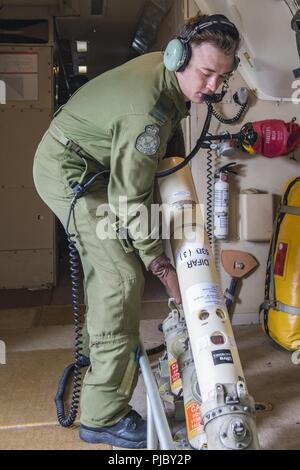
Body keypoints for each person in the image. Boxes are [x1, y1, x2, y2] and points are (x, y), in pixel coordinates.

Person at [33, 13, 240, 448]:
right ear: (178, 56)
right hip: (68, 170)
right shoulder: (146, 111)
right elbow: (131, 197)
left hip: (92, 168)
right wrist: (161, 267)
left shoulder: (166, 80)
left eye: (221, 77)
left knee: (109, 255)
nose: (211, 88)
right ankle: (102, 415)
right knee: (122, 274)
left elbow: (138, 185)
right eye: (205, 74)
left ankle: (103, 352)